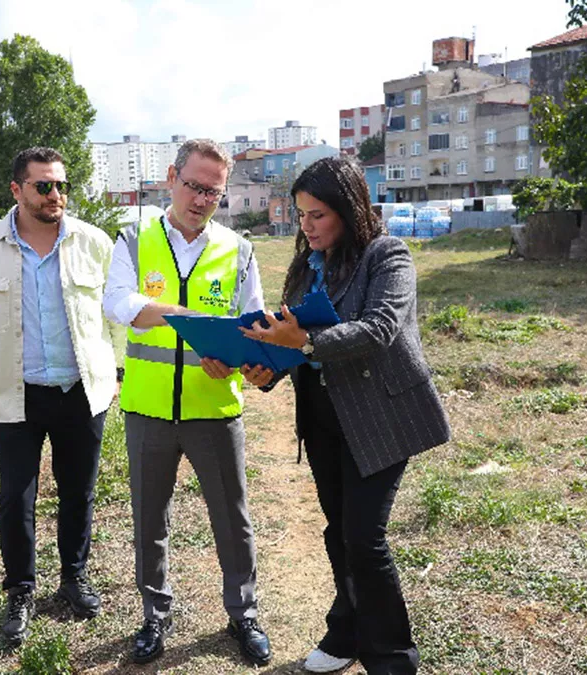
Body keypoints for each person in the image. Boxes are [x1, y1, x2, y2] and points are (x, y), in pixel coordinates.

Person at [239, 156, 451, 675]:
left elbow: (380, 329)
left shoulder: (388, 256)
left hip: (380, 418)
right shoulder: (307, 264)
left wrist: (305, 342)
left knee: (364, 537)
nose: (305, 227)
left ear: (349, 209)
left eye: (317, 216)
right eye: (301, 215)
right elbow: (294, 341)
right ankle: (347, 632)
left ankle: (393, 658)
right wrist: (269, 368)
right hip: (324, 419)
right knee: (339, 532)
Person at [102, 138, 272, 666]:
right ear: (173, 178)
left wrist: (241, 355)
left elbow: (254, 322)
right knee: (149, 519)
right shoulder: (134, 237)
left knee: (232, 519)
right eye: (194, 186)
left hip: (215, 410)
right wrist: (184, 317)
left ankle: (242, 613)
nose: (201, 199)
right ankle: (155, 615)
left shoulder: (237, 249)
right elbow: (118, 303)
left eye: (213, 192)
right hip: (149, 408)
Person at [0, 147, 117, 648]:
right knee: (15, 499)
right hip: (14, 395)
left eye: (62, 185)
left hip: (80, 392)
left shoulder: (93, 242)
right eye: (44, 186)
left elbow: (120, 311)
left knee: (79, 492)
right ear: (17, 190)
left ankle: (73, 578)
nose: (55, 195)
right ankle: (21, 590)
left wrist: (121, 370)